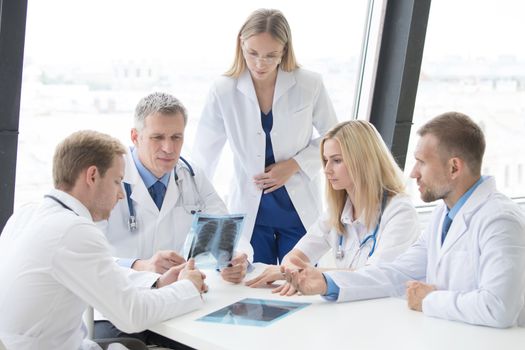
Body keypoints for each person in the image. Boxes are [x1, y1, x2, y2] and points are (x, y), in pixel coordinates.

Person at [283, 112, 525, 328]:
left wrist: (429, 299)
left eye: (422, 162)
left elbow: (499, 308)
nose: (413, 173)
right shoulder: (443, 216)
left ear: (454, 168)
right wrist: (327, 283)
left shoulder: (499, 220)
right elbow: (394, 274)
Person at [0, 130, 207, 350]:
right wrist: (188, 287)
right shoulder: (73, 231)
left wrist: (156, 282)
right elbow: (132, 315)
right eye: (117, 181)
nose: (120, 194)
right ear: (92, 176)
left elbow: (98, 272)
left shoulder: (26, 215)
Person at [96, 92, 250, 347]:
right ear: (135, 137)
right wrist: (140, 265)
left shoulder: (190, 175)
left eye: (176, 137)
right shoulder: (107, 178)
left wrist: (236, 258)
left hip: (174, 300)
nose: (168, 148)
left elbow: (225, 225)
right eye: (158, 137)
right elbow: (87, 256)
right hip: (117, 304)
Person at [192, 9, 338, 265]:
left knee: (299, 285)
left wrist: (294, 165)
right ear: (241, 45)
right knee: (252, 288)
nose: (261, 64)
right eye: (253, 53)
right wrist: (199, 215)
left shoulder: (309, 84)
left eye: (271, 55)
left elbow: (334, 137)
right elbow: (205, 156)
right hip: (250, 213)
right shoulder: (223, 89)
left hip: (297, 208)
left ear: (285, 50)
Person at [245, 120, 419, 295]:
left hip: (387, 310)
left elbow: (375, 276)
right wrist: (290, 270)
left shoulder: (400, 212)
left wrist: (302, 274)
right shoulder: (337, 211)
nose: (327, 169)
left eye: (336, 160)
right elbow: (295, 256)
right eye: (326, 160)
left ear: (364, 161)